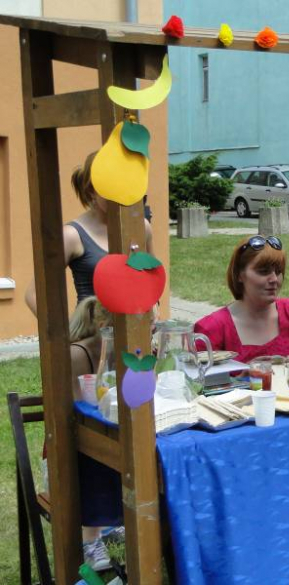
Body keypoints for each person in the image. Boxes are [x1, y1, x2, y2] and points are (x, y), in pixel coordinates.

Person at [24, 151, 155, 315]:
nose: (120, 194)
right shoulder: (71, 235)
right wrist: (66, 337)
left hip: (136, 337)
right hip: (91, 338)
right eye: (111, 188)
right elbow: (34, 295)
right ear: (91, 190)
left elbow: (152, 280)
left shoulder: (142, 227)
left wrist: (154, 310)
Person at [195, 235, 289, 365]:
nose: (274, 279)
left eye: (278, 271)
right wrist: (244, 376)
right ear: (240, 275)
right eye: (263, 271)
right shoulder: (211, 328)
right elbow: (198, 382)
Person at [63, 296, 123, 571]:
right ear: (102, 325)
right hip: (73, 449)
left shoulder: (129, 351)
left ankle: (121, 519)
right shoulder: (78, 354)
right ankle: (90, 537)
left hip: (113, 436)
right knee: (93, 454)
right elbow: (75, 419)